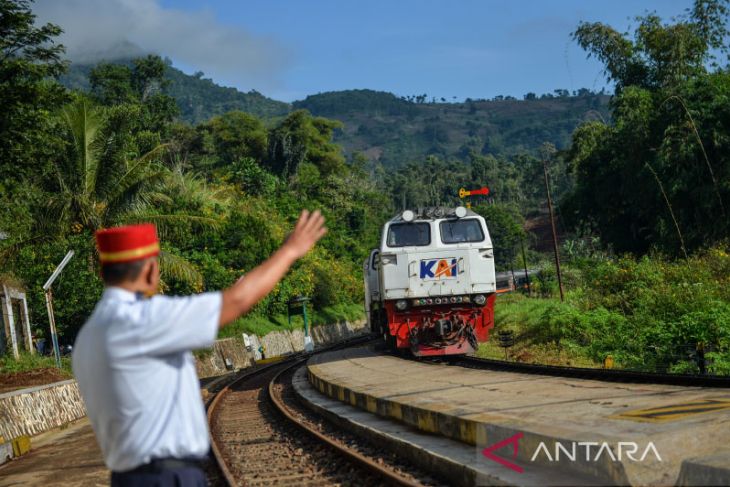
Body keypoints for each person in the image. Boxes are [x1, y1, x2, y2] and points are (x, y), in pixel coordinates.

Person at [73, 210, 326, 486]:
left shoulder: (88, 335)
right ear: (149, 271)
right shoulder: (145, 319)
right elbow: (238, 301)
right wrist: (290, 250)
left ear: (103, 272)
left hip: (126, 477)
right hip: (168, 477)